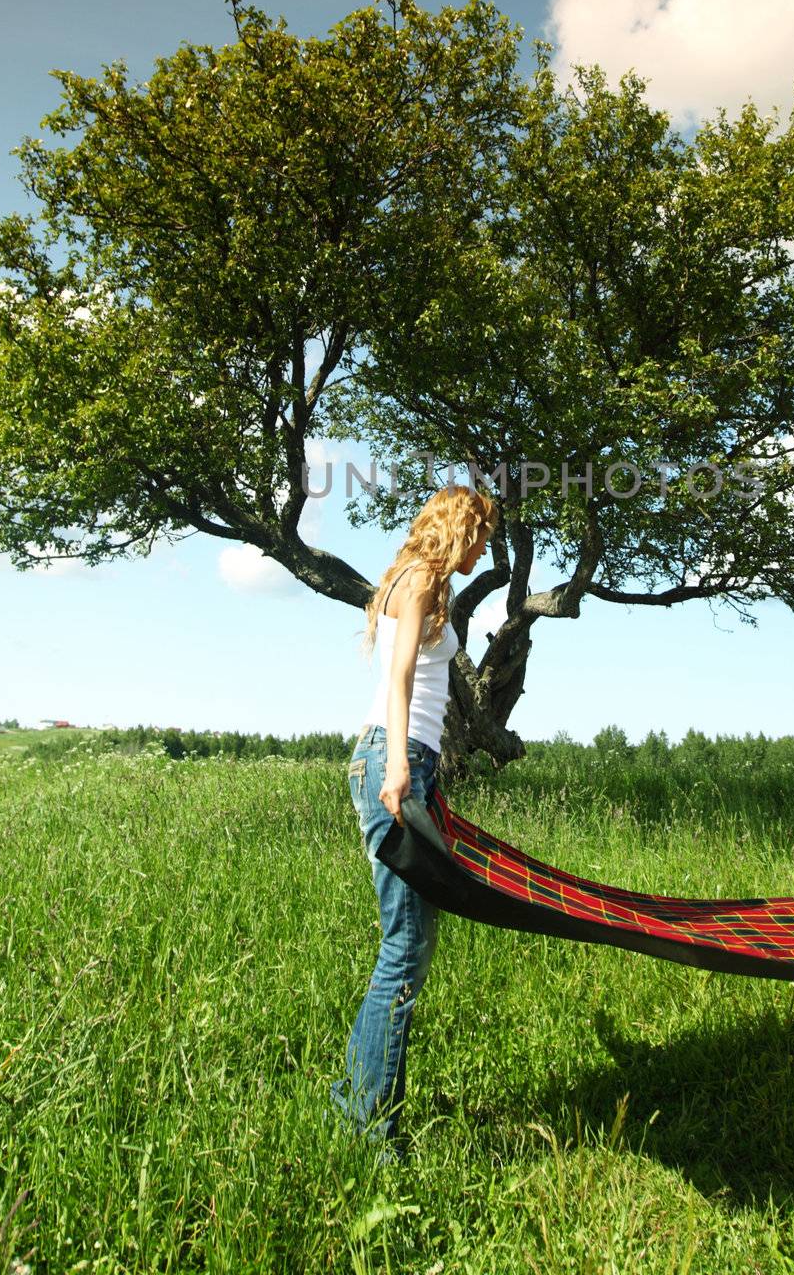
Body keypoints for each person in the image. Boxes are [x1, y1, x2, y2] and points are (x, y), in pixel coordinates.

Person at [329, 483, 498, 1153]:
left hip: (407, 762)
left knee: (411, 947)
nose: (483, 548)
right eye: (481, 534)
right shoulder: (423, 578)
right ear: (461, 526)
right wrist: (401, 768)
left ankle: (359, 1103)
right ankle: (367, 1125)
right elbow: (398, 679)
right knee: (403, 949)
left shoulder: (419, 579)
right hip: (392, 763)